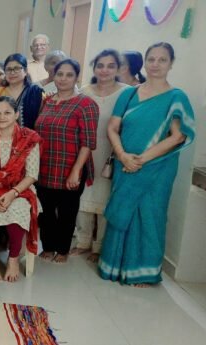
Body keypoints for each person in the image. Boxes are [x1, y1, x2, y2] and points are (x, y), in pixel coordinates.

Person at [100, 42, 195, 287]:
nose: (155, 65)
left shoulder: (176, 97)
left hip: (157, 169)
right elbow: (113, 127)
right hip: (125, 163)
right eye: (151, 59)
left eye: (162, 60)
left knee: (150, 216)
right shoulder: (129, 93)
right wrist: (123, 156)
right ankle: (114, 266)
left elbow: (178, 136)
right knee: (122, 212)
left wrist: (141, 159)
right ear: (145, 62)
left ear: (171, 64)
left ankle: (143, 273)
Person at [35, 59, 98, 264]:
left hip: (70, 166)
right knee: (45, 211)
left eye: (69, 75)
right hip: (45, 165)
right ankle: (48, 246)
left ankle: (62, 250)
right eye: (59, 74)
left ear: (76, 77)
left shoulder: (86, 104)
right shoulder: (48, 101)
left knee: (67, 212)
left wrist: (76, 171)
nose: (63, 79)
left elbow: (88, 142)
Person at [72, 50, 130, 262]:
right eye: (100, 65)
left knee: (106, 198)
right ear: (94, 67)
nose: (105, 70)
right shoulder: (83, 92)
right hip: (85, 150)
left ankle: (100, 246)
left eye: (110, 65)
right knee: (83, 196)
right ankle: (82, 242)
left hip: (112, 151)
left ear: (118, 68)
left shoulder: (127, 93)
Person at [0, 96, 41, 282]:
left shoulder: (29, 139)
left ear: (16, 114)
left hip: (20, 189)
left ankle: (13, 259)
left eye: (7, 112)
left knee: (17, 209)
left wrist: (13, 194)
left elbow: (32, 175)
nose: (2, 117)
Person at [0, 54, 44, 131]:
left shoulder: (36, 93)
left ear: (26, 71)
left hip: (29, 141)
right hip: (1, 141)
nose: (12, 73)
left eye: (16, 68)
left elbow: (43, 123)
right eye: (8, 69)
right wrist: (0, 136)